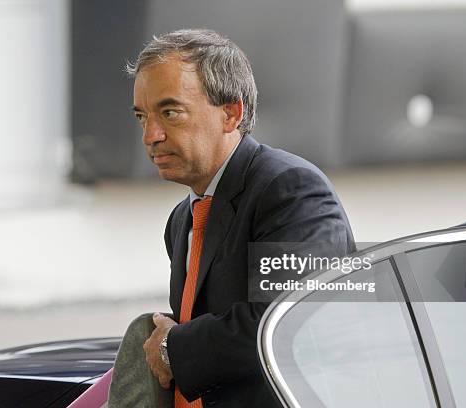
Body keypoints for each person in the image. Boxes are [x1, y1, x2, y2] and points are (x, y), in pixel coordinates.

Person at [128, 28, 355, 408]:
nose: (151, 134)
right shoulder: (182, 218)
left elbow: (284, 321)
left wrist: (173, 348)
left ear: (231, 113)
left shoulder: (290, 189)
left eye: (170, 113)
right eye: (142, 116)